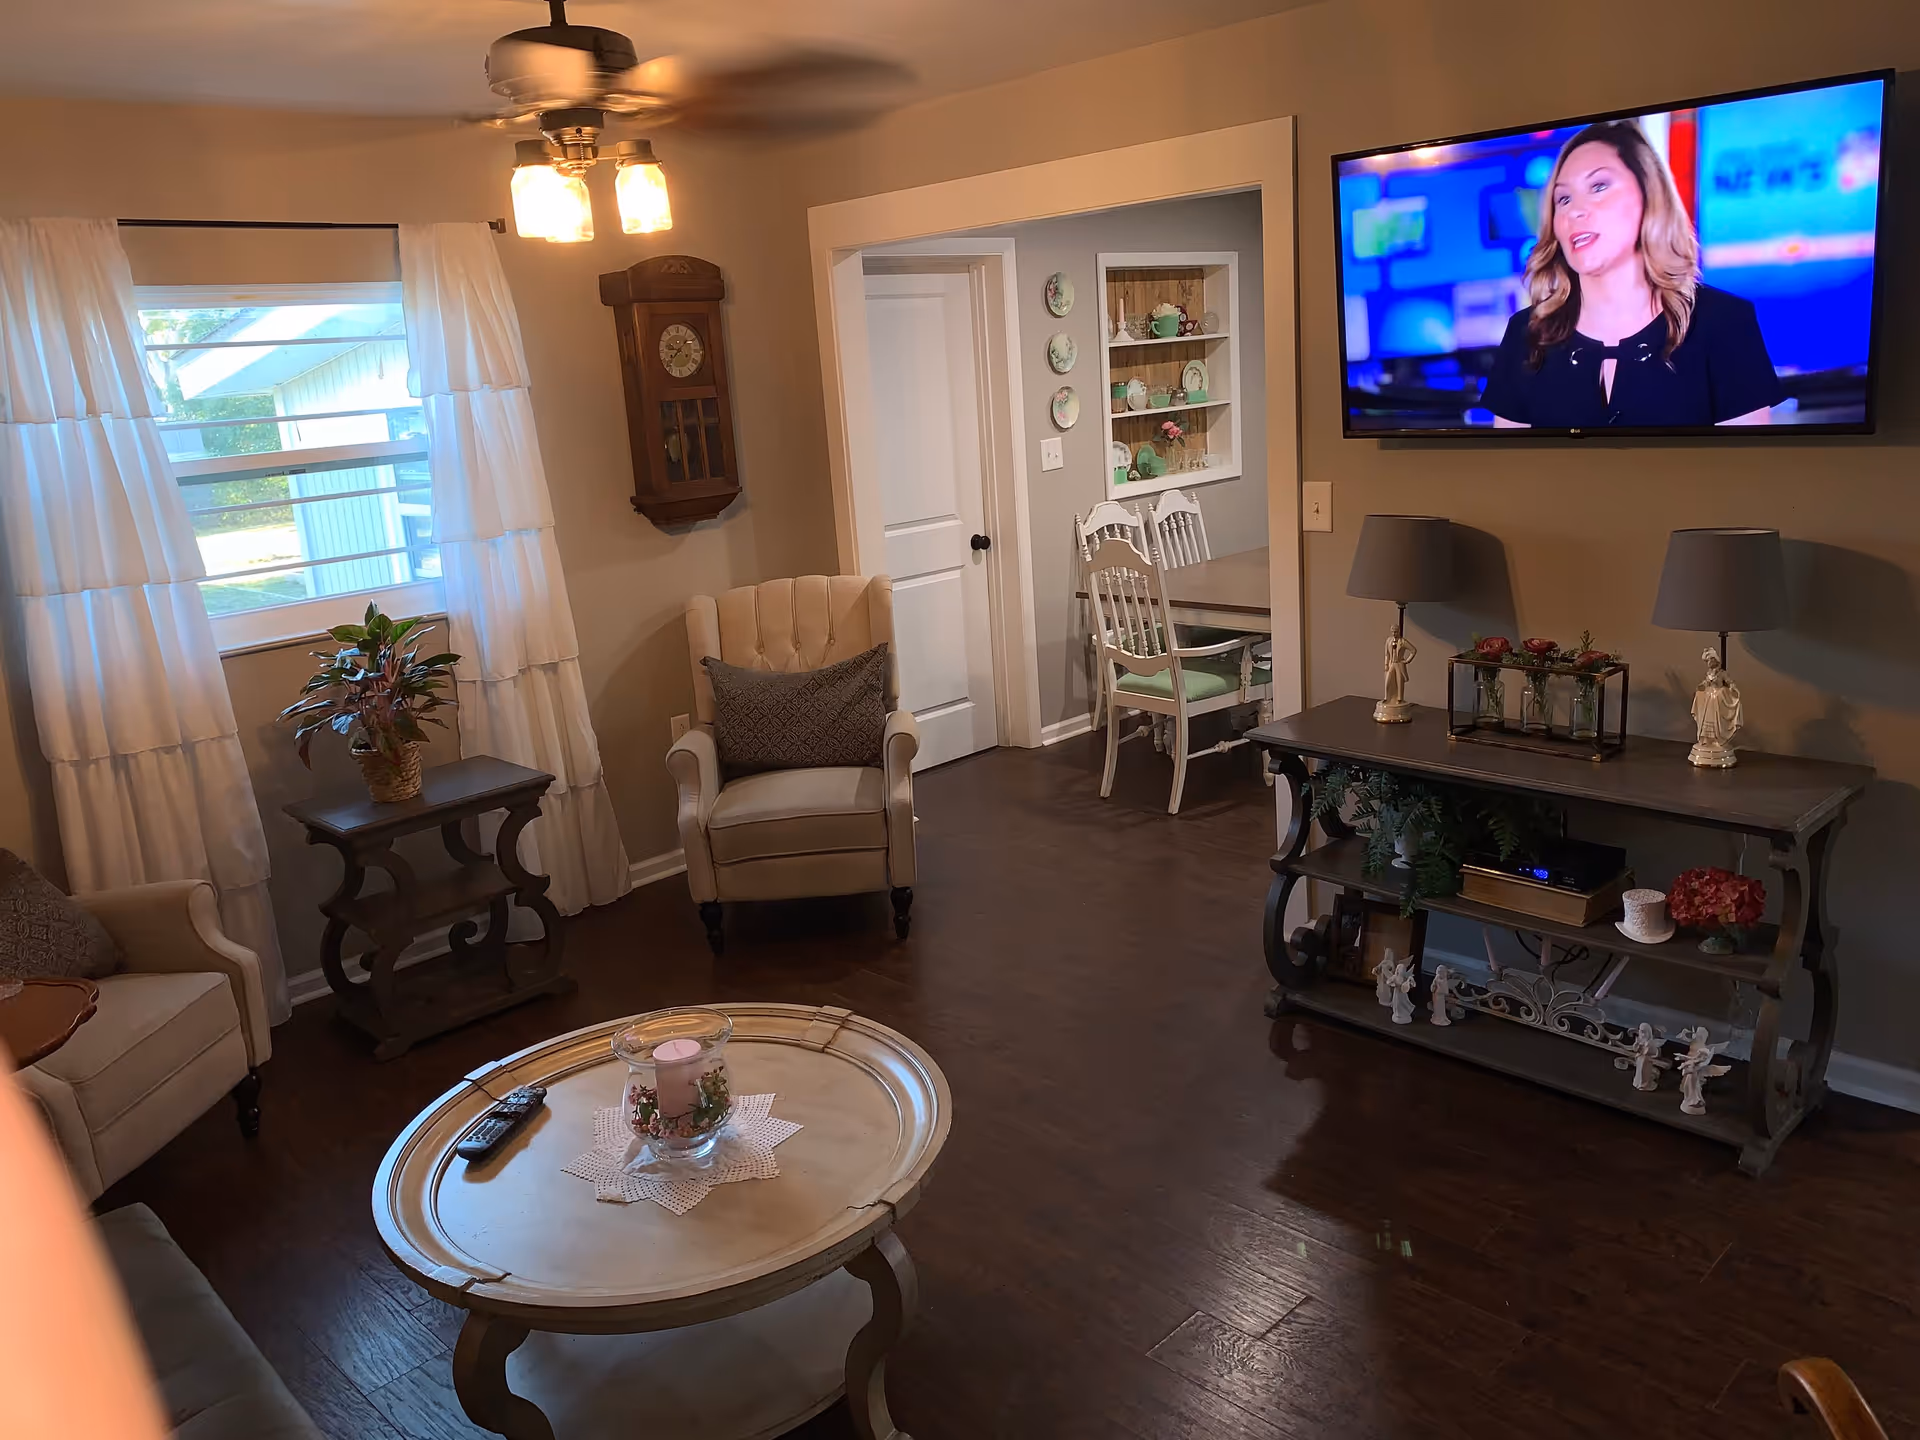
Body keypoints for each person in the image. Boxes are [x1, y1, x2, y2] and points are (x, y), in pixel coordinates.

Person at [1480, 119, 1785, 429]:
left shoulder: (1724, 322)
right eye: (1564, 199)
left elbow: (1747, 472)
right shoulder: (1527, 335)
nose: (1575, 211)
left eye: (1598, 186)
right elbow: (1511, 473)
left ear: (1648, 195)